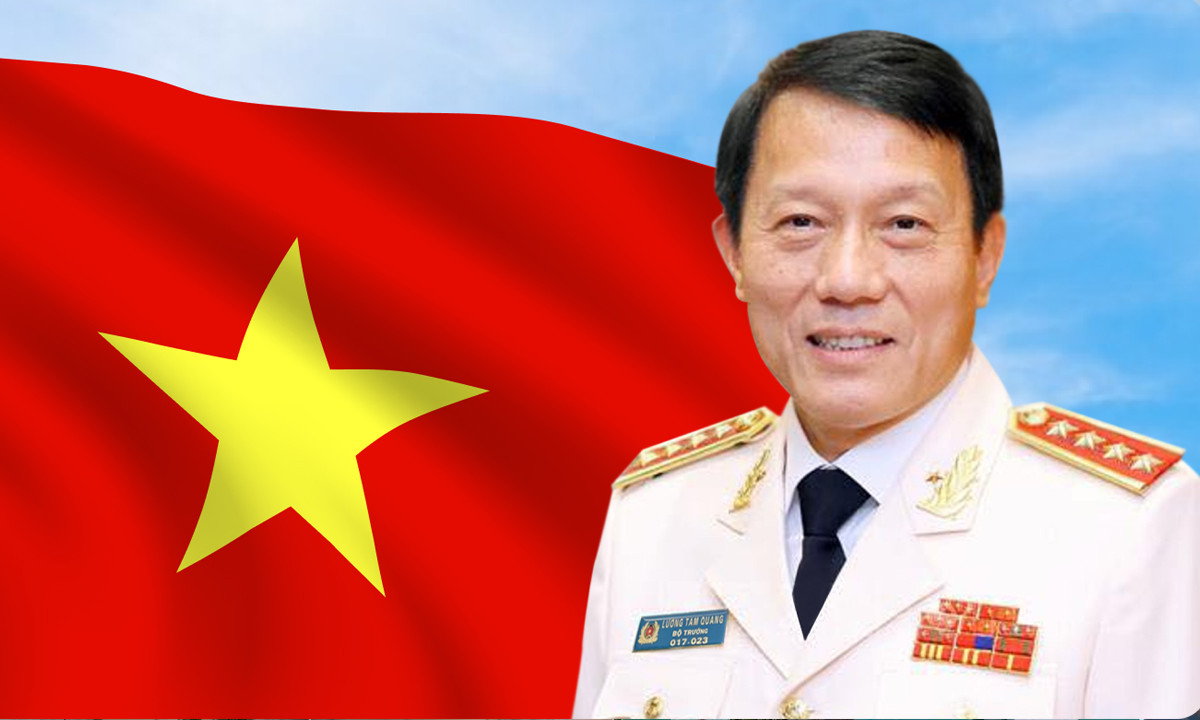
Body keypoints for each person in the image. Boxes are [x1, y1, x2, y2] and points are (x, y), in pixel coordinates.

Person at [572, 30, 1199, 719]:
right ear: (735, 254)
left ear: (985, 256)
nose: (848, 280)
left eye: (903, 224)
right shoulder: (654, 515)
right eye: (801, 221)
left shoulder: (1128, 529)